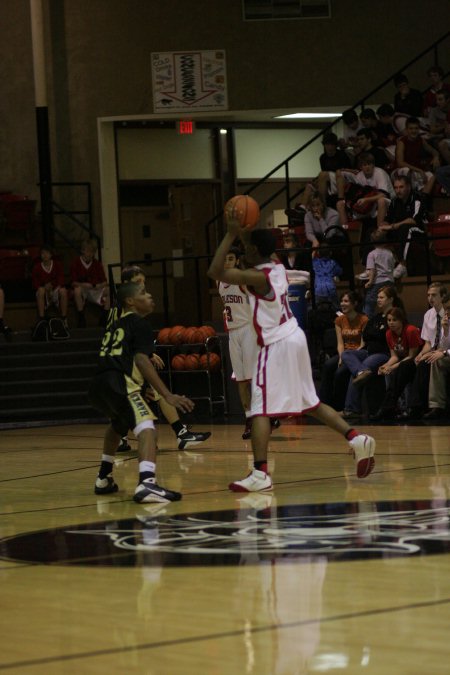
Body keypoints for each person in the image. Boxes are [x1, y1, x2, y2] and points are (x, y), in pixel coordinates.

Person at [207, 220, 376, 492]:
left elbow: (215, 271)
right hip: (293, 336)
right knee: (310, 403)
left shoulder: (258, 277)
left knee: (260, 408)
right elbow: (266, 248)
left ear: (254, 251)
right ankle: (357, 439)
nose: (243, 251)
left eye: (247, 247)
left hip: (275, 343)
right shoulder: (276, 267)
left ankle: (260, 473)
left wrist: (229, 234)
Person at [89, 281, 195, 503]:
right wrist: (167, 395)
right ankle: (147, 484)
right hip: (120, 381)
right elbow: (140, 360)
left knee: (117, 424)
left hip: (99, 383)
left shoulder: (115, 324)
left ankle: (103, 477)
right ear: (130, 301)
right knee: (148, 428)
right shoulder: (140, 324)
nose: (150, 296)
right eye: (144, 293)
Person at [111, 265, 211, 452]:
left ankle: (124, 441)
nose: (143, 286)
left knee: (148, 397)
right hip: (124, 366)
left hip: (123, 364)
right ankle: (175, 437)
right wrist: (146, 355)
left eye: (144, 282)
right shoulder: (126, 310)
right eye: (137, 282)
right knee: (150, 402)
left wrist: (148, 353)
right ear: (125, 285)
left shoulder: (123, 308)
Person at [218, 247, 260, 440]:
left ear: (236, 261)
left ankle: (264, 414)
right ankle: (249, 418)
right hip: (233, 333)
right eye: (224, 258)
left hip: (248, 329)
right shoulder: (219, 281)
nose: (227, 261)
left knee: (253, 379)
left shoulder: (242, 280)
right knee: (241, 381)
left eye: (231, 258)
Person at [341, 286, 400, 418]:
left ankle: (351, 410)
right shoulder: (376, 317)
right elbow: (366, 335)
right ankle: (362, 371)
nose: (378, 300)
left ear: (390, 299)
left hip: (383, 353)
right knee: (347, 354)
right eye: (377, 297)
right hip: (368, 351)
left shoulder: (394, 316)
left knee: (358, 371)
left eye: (381, 297)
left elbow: (388, 337)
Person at [401, 283, 448, 419]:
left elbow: (444, 343)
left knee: (426, 364)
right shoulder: (428, 314)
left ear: (443, 296)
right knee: (407, 365)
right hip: (432, 350)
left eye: (434, 295)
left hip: (442, 351)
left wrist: (437, 352)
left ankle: (417, 407)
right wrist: (421, 354)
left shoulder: (447, 313)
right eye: (428, 295)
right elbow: (428, 343)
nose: (430, 298)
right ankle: (393, 405)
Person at [319, 291, 368, 412]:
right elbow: (340, 343)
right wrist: (341, 357)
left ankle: (339, 406)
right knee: (328, 365)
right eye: (341, 301)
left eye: (346, 301)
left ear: (354, 303)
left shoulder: (364, 319)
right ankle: (323, 405)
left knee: (340, 372)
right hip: (344, 353)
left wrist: (348, 357)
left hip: (357, 354)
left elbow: (363, 343)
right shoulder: (339, 320)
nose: (342, 304)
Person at [370, 307, 423, 420]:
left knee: (400, 368)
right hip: (402, 362)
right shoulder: (389, 333)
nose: (391, 323)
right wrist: (386, 365)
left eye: (394, 320)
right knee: (387, 371)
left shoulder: (410, 330)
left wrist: (393, 366)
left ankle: (395, 407)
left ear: (401, 320)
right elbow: (394, 356)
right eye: (389, 320)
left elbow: (411, 356)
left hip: (414, 362)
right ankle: (391, 407)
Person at [379, 173, 427, 280]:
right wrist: (382, 227)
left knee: (406, 228)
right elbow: (387, 219)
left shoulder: (417, 199)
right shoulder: (395, 202)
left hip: (418, 231)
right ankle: (371, 267)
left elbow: (413, 220)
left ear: (409, 187)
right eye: (396, 187)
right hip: (399, 231)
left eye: (401, 187)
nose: (398, 190)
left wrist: (392, 226)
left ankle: (403, 264)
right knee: (373, 232)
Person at [335, 152, 395, 230]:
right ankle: (346, 231)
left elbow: (384, 195)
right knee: (340, 204)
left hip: (388, 201)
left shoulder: (380, 173)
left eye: (369, 164)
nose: (367, 167)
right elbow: (340, 173)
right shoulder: (359, 176)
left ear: (373, 165)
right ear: (361, 167)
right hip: (369, 204)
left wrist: (366, 199)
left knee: (381, 201)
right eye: (364, 165)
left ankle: (379, 231)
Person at [70, 239, 110, 327]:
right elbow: (73, 282)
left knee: (109, 290)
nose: (90, 254)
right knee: (77, 291)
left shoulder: (97, 264)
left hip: (95, 289)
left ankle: (104, 316)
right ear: (82, 251)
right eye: (87, 251)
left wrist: (99, 285)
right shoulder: (76, 263)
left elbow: (104, 281)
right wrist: (83, 285)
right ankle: (81, 317)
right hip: (83, 290)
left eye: (92, 251)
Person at [394, 116, 440, 194]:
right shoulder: (402, 142)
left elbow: (434, 151)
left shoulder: (420, 140)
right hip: (402, 171)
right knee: (406, 170)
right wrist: (419, 170)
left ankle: (423, 198)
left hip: (416, 170)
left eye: (416, 128)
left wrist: (436, 157)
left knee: (432, 176)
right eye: (411, 128)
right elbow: (400, 163)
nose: (414, 131)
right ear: (407, 129)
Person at [424, 292, 450, 419]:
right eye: (446, 309)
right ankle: (437, 406)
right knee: (435, 360)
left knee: (439, 357)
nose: (447, 312)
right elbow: (444, 346)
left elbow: (445, 351)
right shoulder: (447, 320)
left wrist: (444, 353)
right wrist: (445, 330)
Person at [31, 244, 68, 325]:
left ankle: (64, 318)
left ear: (51, 254)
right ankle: (41, 319)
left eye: (47, 253)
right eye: (43, 253)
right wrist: (45, 287)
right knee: (40, 290)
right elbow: (35, 283)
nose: (45, 255)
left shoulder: (57, 264)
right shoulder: (36, 267)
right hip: (43, 290)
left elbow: (61, 279)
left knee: (63, 291)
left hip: (54, 289)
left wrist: (52, 286)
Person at [362, 230, 395, 317]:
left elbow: (372, 270)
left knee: (369, 304)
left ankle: (367, 324)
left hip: (378, 282)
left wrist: (370, 281)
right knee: (389, 304)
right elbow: (392, 266)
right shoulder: (389, 253)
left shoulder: (372, 254)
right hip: (390, 281)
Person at [311, 242, 342, 309]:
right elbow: (340, 271)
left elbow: (309, 260)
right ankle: (339, 317)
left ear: (318, 253)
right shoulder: (333, 263)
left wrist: (314, 250)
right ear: (330, 253)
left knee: (316, 309)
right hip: (331, 290)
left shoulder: (315, 262)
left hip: (318, 290)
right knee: (336, 309)